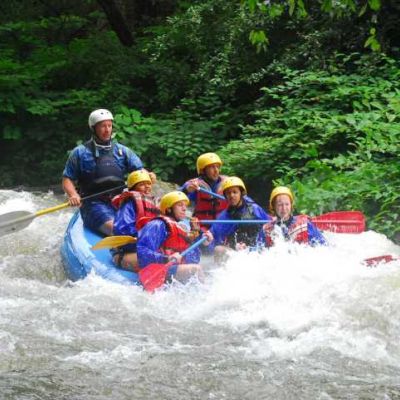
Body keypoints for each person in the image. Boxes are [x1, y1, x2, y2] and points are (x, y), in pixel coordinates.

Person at [62, 109, 154, 236]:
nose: (107, 130)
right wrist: (73, 194)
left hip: (121, 201)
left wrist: (147, 175)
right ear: (94, 128)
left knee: (150, 225)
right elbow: (67, 178)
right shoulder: (80, 152)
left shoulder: (123, 151)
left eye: (109, 126)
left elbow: (139, 170)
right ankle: (120, 252)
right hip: (93, 204)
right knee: (121, 231)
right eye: (102, 126)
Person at [137, 191, 213, 284]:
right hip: (160, 268)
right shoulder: (158, 224)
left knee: (206, 271)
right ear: (169, 209)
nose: (185, 209)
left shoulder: (182, 228)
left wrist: (204, 242)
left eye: (185, 205)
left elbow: (194, 258)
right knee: (196, 270)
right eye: (180, 205)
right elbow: (141, 251)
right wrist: (166, 258)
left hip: (175, 268)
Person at [209, 177, 272, 260]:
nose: (231, 195)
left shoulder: (255, 209)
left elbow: (270, 223)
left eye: (235, 192)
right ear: (225, 196)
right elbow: (213, 238)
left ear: (241, 193)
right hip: (236, 254)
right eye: (228, 193)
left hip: (257, 252)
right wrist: (208, 239)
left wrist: (269, 226)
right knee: (218, 250)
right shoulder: (223, 217)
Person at [110, 170, 160, 271]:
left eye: (149, 184)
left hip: (147, 246)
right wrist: (143, 237)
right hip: (129, 250)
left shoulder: (154, 203)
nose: (147, 187)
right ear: (133, 188)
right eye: (142, 184)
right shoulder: (129, 204)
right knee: (159, 261)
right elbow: (122, 229)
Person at [180, 152, 228, 227]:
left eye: (217, 167)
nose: (216, 170)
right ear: (203, 170)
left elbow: (243, 200)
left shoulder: (227, 183)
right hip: (202, 226)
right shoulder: (194, 185)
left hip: (222, 226)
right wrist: (186, 191)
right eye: (212, 167)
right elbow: (175, 198)